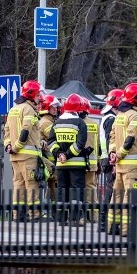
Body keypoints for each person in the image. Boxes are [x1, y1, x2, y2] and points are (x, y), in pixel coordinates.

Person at [107, 82, 137, 237]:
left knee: (116, 196)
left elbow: (112, 137)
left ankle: (111, 227)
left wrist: (113, 154)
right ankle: (128, 230)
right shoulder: (135, 116)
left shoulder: (120, 116)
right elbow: (130, 138)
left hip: (120, 164)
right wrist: (121, 153)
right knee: (130, 199)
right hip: (132, 165)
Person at [3, 80, 43, 222]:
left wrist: (9, 146)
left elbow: (6, 131)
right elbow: (26, 130)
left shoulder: (13, 109)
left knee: (18, 186)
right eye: (38, 94)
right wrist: (17, 146)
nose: (39, 97)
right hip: (28, 156)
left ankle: (17, 215)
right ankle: (35, 215)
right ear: (31, 94)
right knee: (32, 185)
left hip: (15, 157)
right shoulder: (28, 109)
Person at [47, 93, 88, 227]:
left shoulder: (56, 123)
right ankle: (75, 219)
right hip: (76, 164)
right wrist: (68, 154)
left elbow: (51, 141)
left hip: (61, 164)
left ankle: (61, 218)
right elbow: (80, 143)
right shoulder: (80, 123)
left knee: (61, 190)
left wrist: (59, 154)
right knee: (76, 190)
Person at [97, 88, 123, 232]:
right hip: (109, 160)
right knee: (111, 191)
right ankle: (104, 222)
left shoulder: (107, 117)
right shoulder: (111, 119)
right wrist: (113, 162)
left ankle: (104, 223)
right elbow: (109, 141)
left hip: (106, 158)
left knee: (111, 190)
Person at [38, 94, 61, 219]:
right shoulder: (46, 123)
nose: (56, 109)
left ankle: (53, 212)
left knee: (53, 189)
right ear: (46, 107)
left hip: (51, 162)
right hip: (50, 163)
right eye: (53, 107)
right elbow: (56, 137)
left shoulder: (49, 121)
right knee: (52, 189)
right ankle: (52, 212)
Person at [78, 97, 99, 224]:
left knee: (78, 188)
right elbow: (98, 145)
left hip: (78, 162)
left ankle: (81, 216)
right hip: (92, 163)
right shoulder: (94, 123)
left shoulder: (76, 123)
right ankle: (93, 215)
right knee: (91, 188)